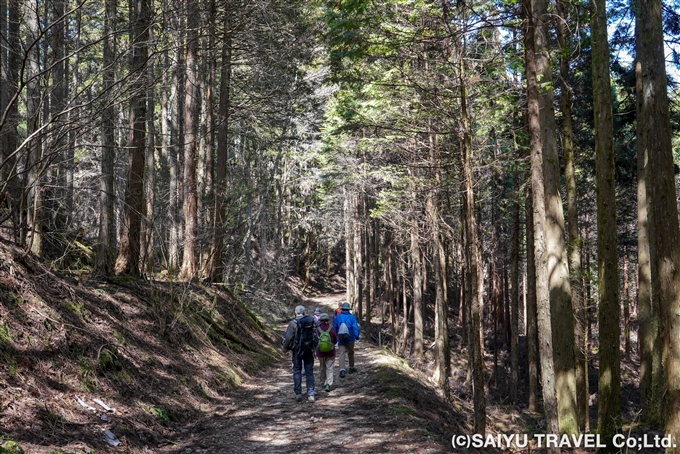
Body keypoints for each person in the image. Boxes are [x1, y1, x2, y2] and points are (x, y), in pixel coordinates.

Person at [281, 305, 316, 402]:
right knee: (309, 371)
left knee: (297, 371)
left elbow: (288, 338)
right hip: (309, 349)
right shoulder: (310, 320)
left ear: (295, 313)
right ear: (304, 312)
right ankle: (311, 394)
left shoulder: (293, 323)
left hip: (297, 351)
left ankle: (298, 393)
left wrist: (284, 348)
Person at [333, 301, 360, 378]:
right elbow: (355, 328)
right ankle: (351, 367)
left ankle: (342, 370)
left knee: (341, 354)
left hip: (340, 339)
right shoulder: (352, 317)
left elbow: (334, 328)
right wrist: (357, 337)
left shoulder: (338, 317)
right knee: (351, 353)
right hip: (350, 338)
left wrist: (335, 339)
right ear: (348, 309)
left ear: (342, 309)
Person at [315, 313, 337, 392]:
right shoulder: (331, 328)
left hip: (320, 352)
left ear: (320, 320)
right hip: (331, 352)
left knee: (322, 367)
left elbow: (315, 340)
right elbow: (335, 340)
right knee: (329, 368)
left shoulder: (317, 329)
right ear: (328, 320)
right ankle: (328, 383)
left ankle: (322, 382)